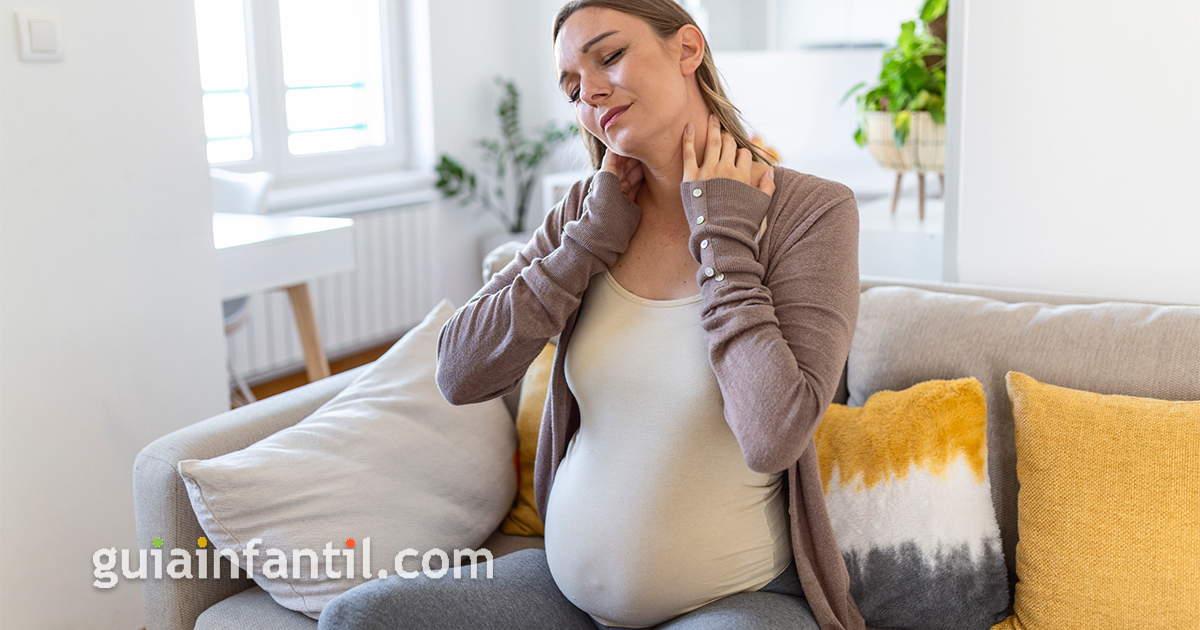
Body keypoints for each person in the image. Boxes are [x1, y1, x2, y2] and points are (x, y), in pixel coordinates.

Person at [318, 1, 867, 629]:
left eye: (610, 56)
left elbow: (774, 435)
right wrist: (585, 244)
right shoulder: (589, 209)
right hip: (564, 594)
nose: (592, 93)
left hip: (734, 601)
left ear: (687, 50)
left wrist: (722, 239)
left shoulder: (812, 213)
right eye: (573, 88)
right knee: (358, 618)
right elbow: (458, 372)